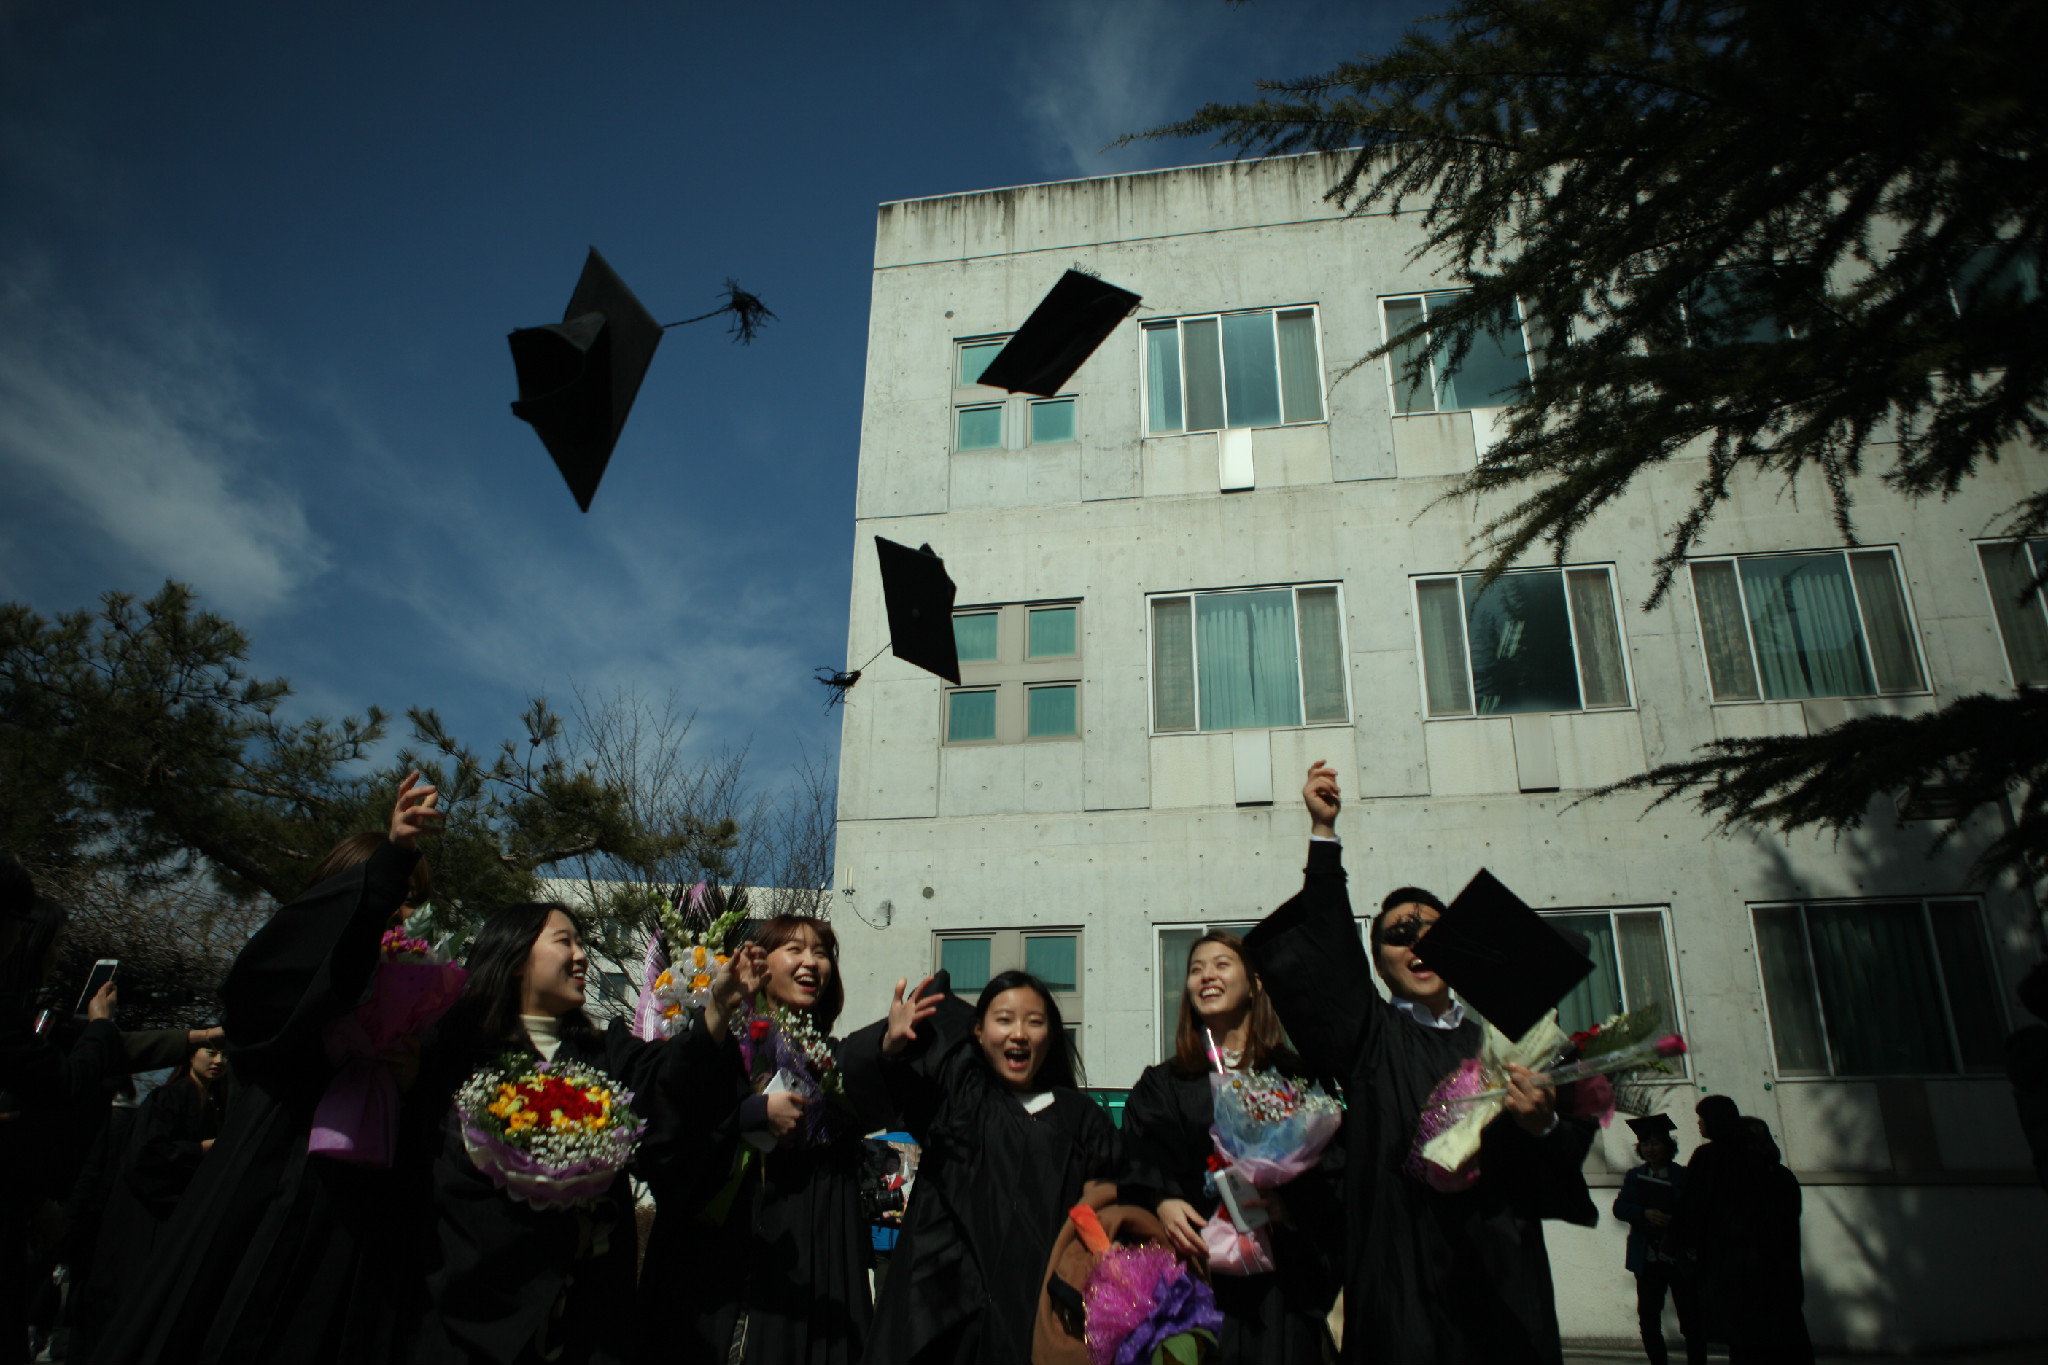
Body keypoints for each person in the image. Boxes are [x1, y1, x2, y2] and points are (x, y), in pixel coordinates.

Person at [1240, 762, 1599, 1365]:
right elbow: (1326, 946)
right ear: (1378, 964)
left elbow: (1555, 1165)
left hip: (1498, 1278)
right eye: (1398, 934)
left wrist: (1542, 1124)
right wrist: (1323, 833)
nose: (1416, 941)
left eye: (1430, 929)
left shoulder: (1512, 1042)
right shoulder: (1369, 1037)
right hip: (1400, 1274)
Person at [98, 775, 443, 1365]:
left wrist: (409, 1077)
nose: (401, 911)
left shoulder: (422, 1006)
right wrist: (390, 860)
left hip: (351, 1231)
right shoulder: (281, 979)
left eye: (414, 900)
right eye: (390, 892)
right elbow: (310, 976)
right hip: (259, 1195)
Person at [412, 901, 756, 1365]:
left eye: (581, 943)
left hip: (587, 1307)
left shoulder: (603, 1051)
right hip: (480, 1300)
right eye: (564, 941)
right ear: (515, 957)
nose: (581, 956)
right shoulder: (456, 1046)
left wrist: (714, 1012)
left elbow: (665, 1085)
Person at [842, 968, 1123, 1365]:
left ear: (1051, 1035)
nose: (1019, 1034)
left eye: (1034, 1022)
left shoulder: (1082, 1121)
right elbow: (877, 1090)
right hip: (939, 1324)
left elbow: (1110, 1206)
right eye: (1004, 1020)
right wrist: (890, 1044)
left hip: (1033, 1324)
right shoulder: (954, 1100)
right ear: (977, 1031)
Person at [644, 914, 877, 1365]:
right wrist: (748, 1115)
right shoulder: (725, 1037)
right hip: (726, 1258)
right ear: (759, 964)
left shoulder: (826, 1057)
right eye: (795, 949)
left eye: (821, 953)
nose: (811, 962)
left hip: (810, 1253)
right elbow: (676, 1121)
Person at [1120, 930, 1343, 1363]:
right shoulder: (1165, 1084)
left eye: (1221, 965)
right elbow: (1137, 1160)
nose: (1207, 976)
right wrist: (1161, 1201)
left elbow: (1336, 1171)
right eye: (1196, 969)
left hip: (1280, 1287)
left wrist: (1290, 1206)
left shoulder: (1297, 1078)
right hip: (1196, 1279)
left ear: (1255, 985)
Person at [82, 1042, 230, 1343]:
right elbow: (145, 1153)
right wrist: (199, 1149)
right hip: (148, 1209)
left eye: (224, 1054)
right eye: (210, 1052)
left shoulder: (217, 1102)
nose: (218, 1060)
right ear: (191, 1054)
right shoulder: (168, 1097)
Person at [1611, 1114, 1703, 1365]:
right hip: (1647, 1257)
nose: (1650, 1149)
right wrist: (1644, 1213)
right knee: (1649, 1318)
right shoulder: (1634, 1176)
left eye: (1655, 1143)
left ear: (1667, 1145)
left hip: (1679, 1256)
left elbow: (1697, 1211)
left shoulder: (1683, 1175)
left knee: (1691, 1319)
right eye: (1645, 1144)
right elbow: (1620, 1208)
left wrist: (1675, 1217)